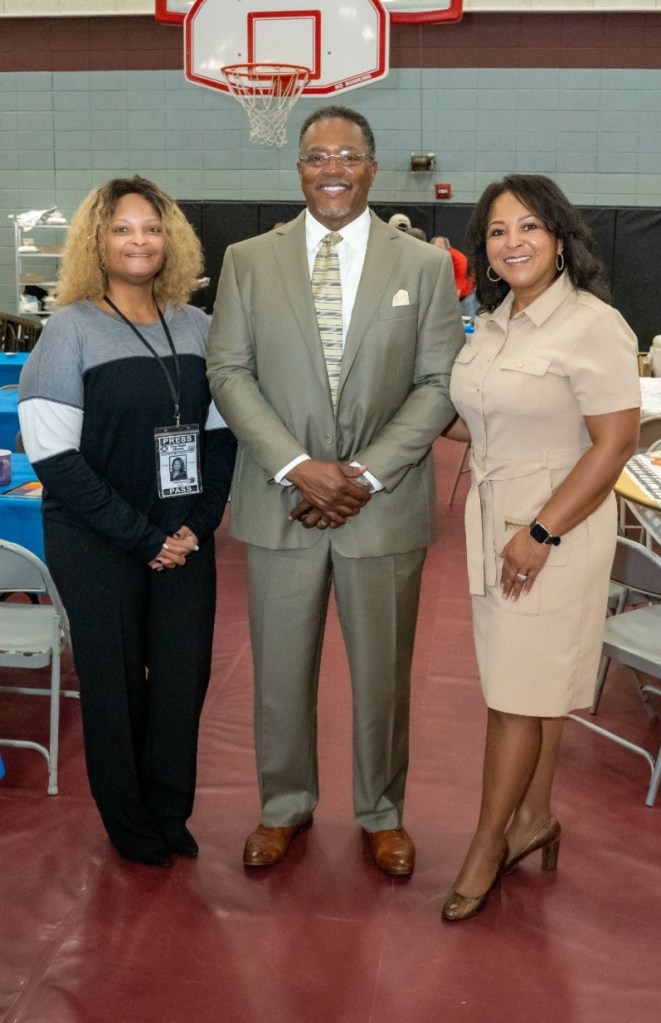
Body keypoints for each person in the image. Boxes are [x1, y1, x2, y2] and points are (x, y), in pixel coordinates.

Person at [206, 105, 464, 875]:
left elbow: (438, 382)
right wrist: (297, 465)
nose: (331, 169)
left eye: (346, 155)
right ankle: (283, 805)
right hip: (280, 501)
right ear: (298, 169)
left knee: (382, 677)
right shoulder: (248, 260)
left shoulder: (421, 267)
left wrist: (365, 473)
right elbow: (228, 371)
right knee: (279, 674)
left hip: (381, 506)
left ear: (371, 168)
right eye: (316, 155)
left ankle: (381, 811)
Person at [18, 176, 236, 867]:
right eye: (122, 228)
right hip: (97, 540)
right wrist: (144, 538)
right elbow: (54, 457)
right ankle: (130, 822)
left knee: (181, 678)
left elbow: (221, 436)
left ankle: (169, 809)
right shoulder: (70, 329)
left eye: (151, 227)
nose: (138, 240)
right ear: (97, 241)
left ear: (171, 240)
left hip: (183, 536)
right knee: (114, 684)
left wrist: (198, 524)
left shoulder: (198, 326)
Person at [442, 174, 641, 921]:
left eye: (529, 226)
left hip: (553, 533)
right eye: (497, 231)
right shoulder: (495, 322)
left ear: (560, 238)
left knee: (512, 700)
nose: (512, 241)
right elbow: (479, 419)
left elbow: (614, 442)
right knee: (530, 687)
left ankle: (487, 845)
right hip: (497, 525)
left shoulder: (591, 324)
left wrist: (541, 531)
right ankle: (533, 817)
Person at [431, 235, 477, 320]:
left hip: (464, 298)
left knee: (468, 325)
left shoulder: (459, 261)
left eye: (440, 249)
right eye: (434, 249)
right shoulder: (431, 258)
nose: (437, 253)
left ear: (449, 249)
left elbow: (456, 293)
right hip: (447, 296)